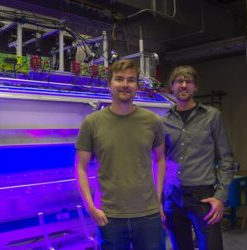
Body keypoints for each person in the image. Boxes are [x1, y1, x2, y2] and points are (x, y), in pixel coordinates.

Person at [75, 59, 166, 250]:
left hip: (148, 216)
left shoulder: (153, 121)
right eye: (119, 79)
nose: (125, 84)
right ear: (109, 84)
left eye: (131, 80)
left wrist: (158, 200)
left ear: (137, 86)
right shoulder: (92, 123)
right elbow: (81, 168)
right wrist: (91, 207)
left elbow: (160, 159)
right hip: (110, 217)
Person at [162, 65, 235, 250]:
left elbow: (226, 158)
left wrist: (220, 197)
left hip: (203, 197)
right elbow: (159, 162)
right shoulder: (164, 121)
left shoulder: (212, 116)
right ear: (172, 86)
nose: (184, 85)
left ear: (195, 87)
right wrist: (160, 200)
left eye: (188, 81)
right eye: (179, 81)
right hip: (172, 197)